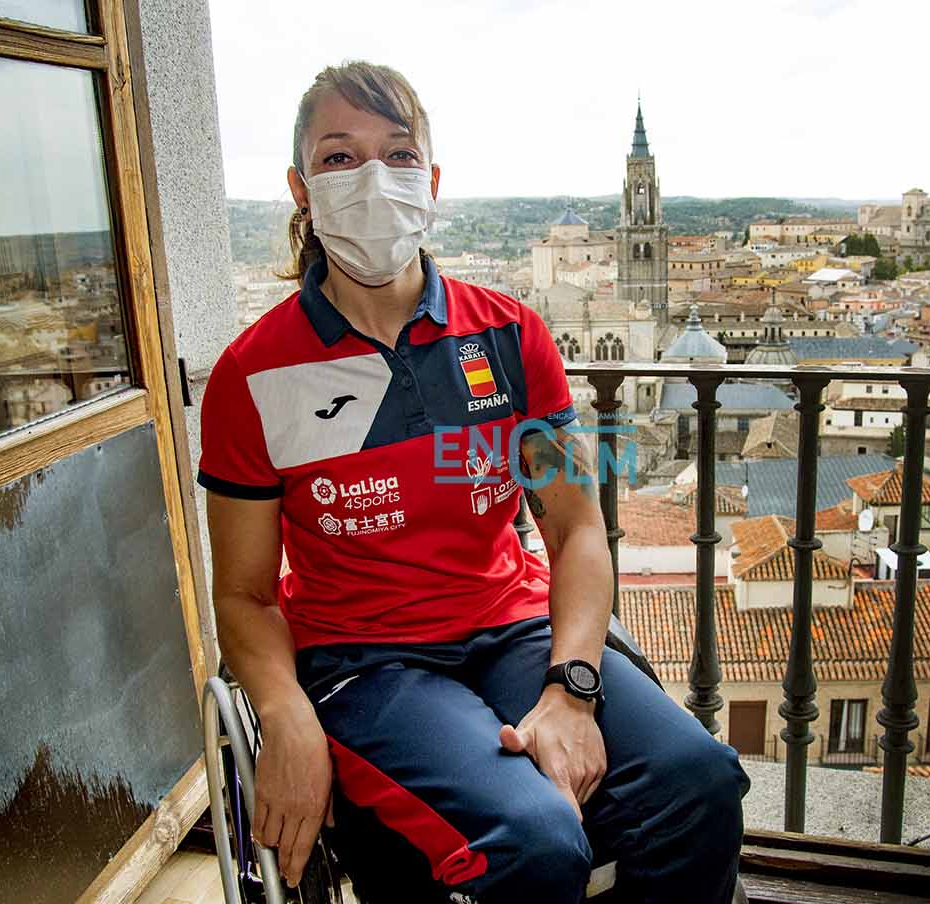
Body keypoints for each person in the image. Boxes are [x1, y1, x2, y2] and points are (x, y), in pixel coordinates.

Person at [198, 60, 750, 904]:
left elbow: (575, 529)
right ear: (299, 189)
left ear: (432, 180)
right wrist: (285, 715)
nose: (373, 180)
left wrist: (572, 688)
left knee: (700, 782)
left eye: (397, 153)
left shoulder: (512, 334)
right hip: (367, 663)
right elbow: (241, 593)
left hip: (513, 628)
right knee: (533, 845)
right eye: (340, 158)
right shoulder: (253, 374)